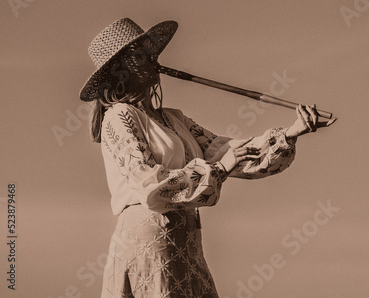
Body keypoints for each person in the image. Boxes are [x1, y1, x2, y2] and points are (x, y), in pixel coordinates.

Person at [79, 18, 336, 298]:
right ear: (122, 71)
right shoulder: (120, 117)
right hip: (149, 242)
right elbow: (149, 186)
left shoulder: (174, 119)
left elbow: (231, 150)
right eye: (141, 56)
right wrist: (220, 168)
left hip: (186, 244)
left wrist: (291, 132)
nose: (153, 60)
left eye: (151, 52)